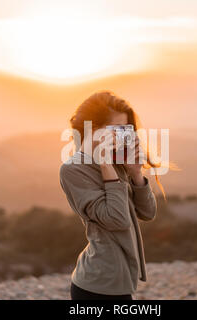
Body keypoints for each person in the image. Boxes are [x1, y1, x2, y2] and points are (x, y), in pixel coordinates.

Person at [59, 90, 164, 300]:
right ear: (94, 129)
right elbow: (117, 219)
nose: (124, 135)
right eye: (117, 129)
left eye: (127, 128)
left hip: (118, 282)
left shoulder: (119, 161)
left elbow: (148, 212)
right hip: (97, 286)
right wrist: (107, 169)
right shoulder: (73, 170)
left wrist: (136, 174)